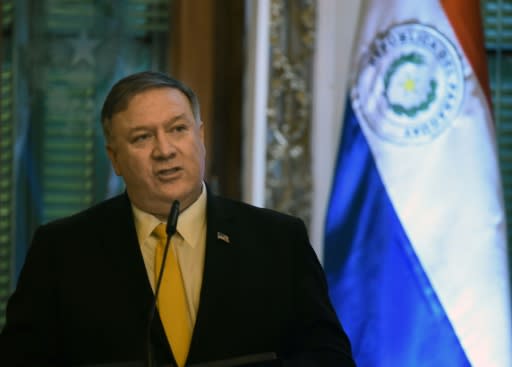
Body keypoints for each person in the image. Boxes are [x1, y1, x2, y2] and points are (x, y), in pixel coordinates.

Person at [0, 71, 356, 367]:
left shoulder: (278, 239)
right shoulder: (63, 250)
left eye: (177, 129)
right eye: (142, 137)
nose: (165, 150)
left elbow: (329, 357)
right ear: (115, 159)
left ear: (199, 137)